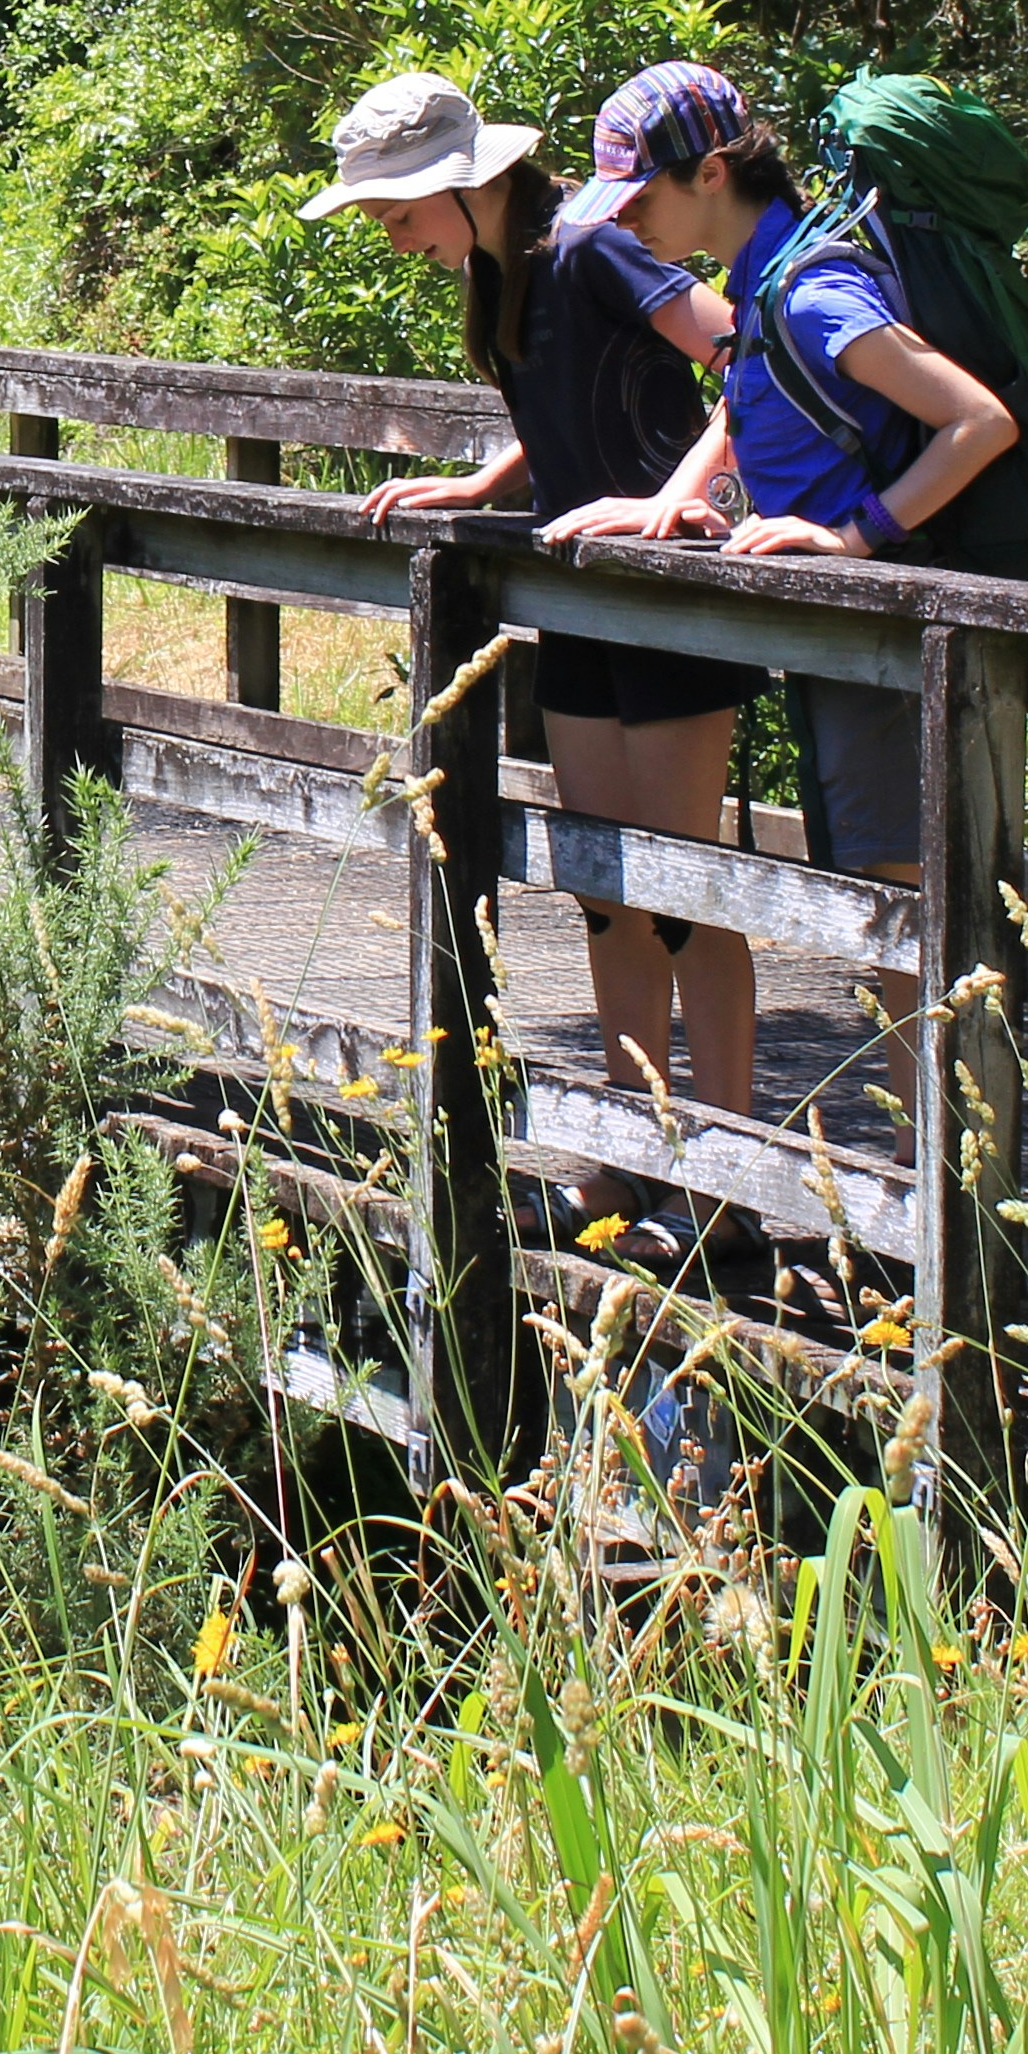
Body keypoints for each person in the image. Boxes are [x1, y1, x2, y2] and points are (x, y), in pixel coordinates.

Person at [301, 65, 762, 1234]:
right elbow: (558, 410)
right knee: (611, 890)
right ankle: (624, 1154)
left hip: (675, 594)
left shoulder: (595, 243)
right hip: (586, 599)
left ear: (469, 185)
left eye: (398, 211)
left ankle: (726, 1186)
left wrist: (672, 500)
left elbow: (749, 356)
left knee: (686, 887)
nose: (391, 235)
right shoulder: (500, 271)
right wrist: (487, 479)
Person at [545, 78, 1020, 922]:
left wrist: (854, 538)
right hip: (840, 637)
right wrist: (671, 502)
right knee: (875, 897)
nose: (624, 220)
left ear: (714, 173)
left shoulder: (809, 293)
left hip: (886, 634)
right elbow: (754, 414)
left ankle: (930, 1063)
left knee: (895, 907)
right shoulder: (765, 284)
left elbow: (979, 423)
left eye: (642, 195)